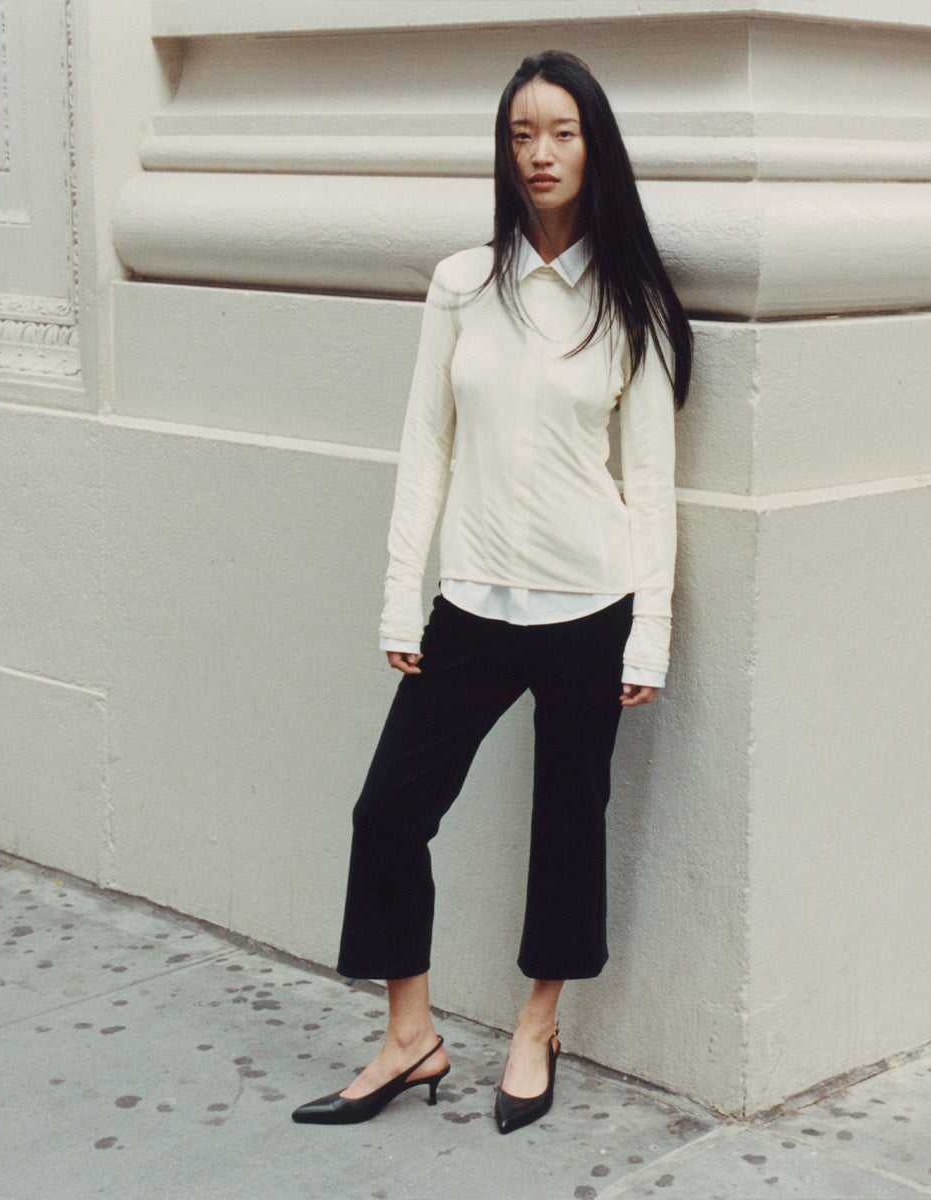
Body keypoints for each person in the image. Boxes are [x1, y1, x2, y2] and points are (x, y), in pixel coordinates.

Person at [292, 49, 692, 1135]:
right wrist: (399, 598)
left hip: (590, 608)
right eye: (521, 134)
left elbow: (650, 485)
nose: (539, 153)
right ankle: (408, 1036)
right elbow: (425, 448)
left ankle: (537, 1024)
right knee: (388, 812)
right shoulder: (463, 284)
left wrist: (648, 635)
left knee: (566, 821)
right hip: (470, 605)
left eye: (560, 132)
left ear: (594, 146)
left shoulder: (629, 302)